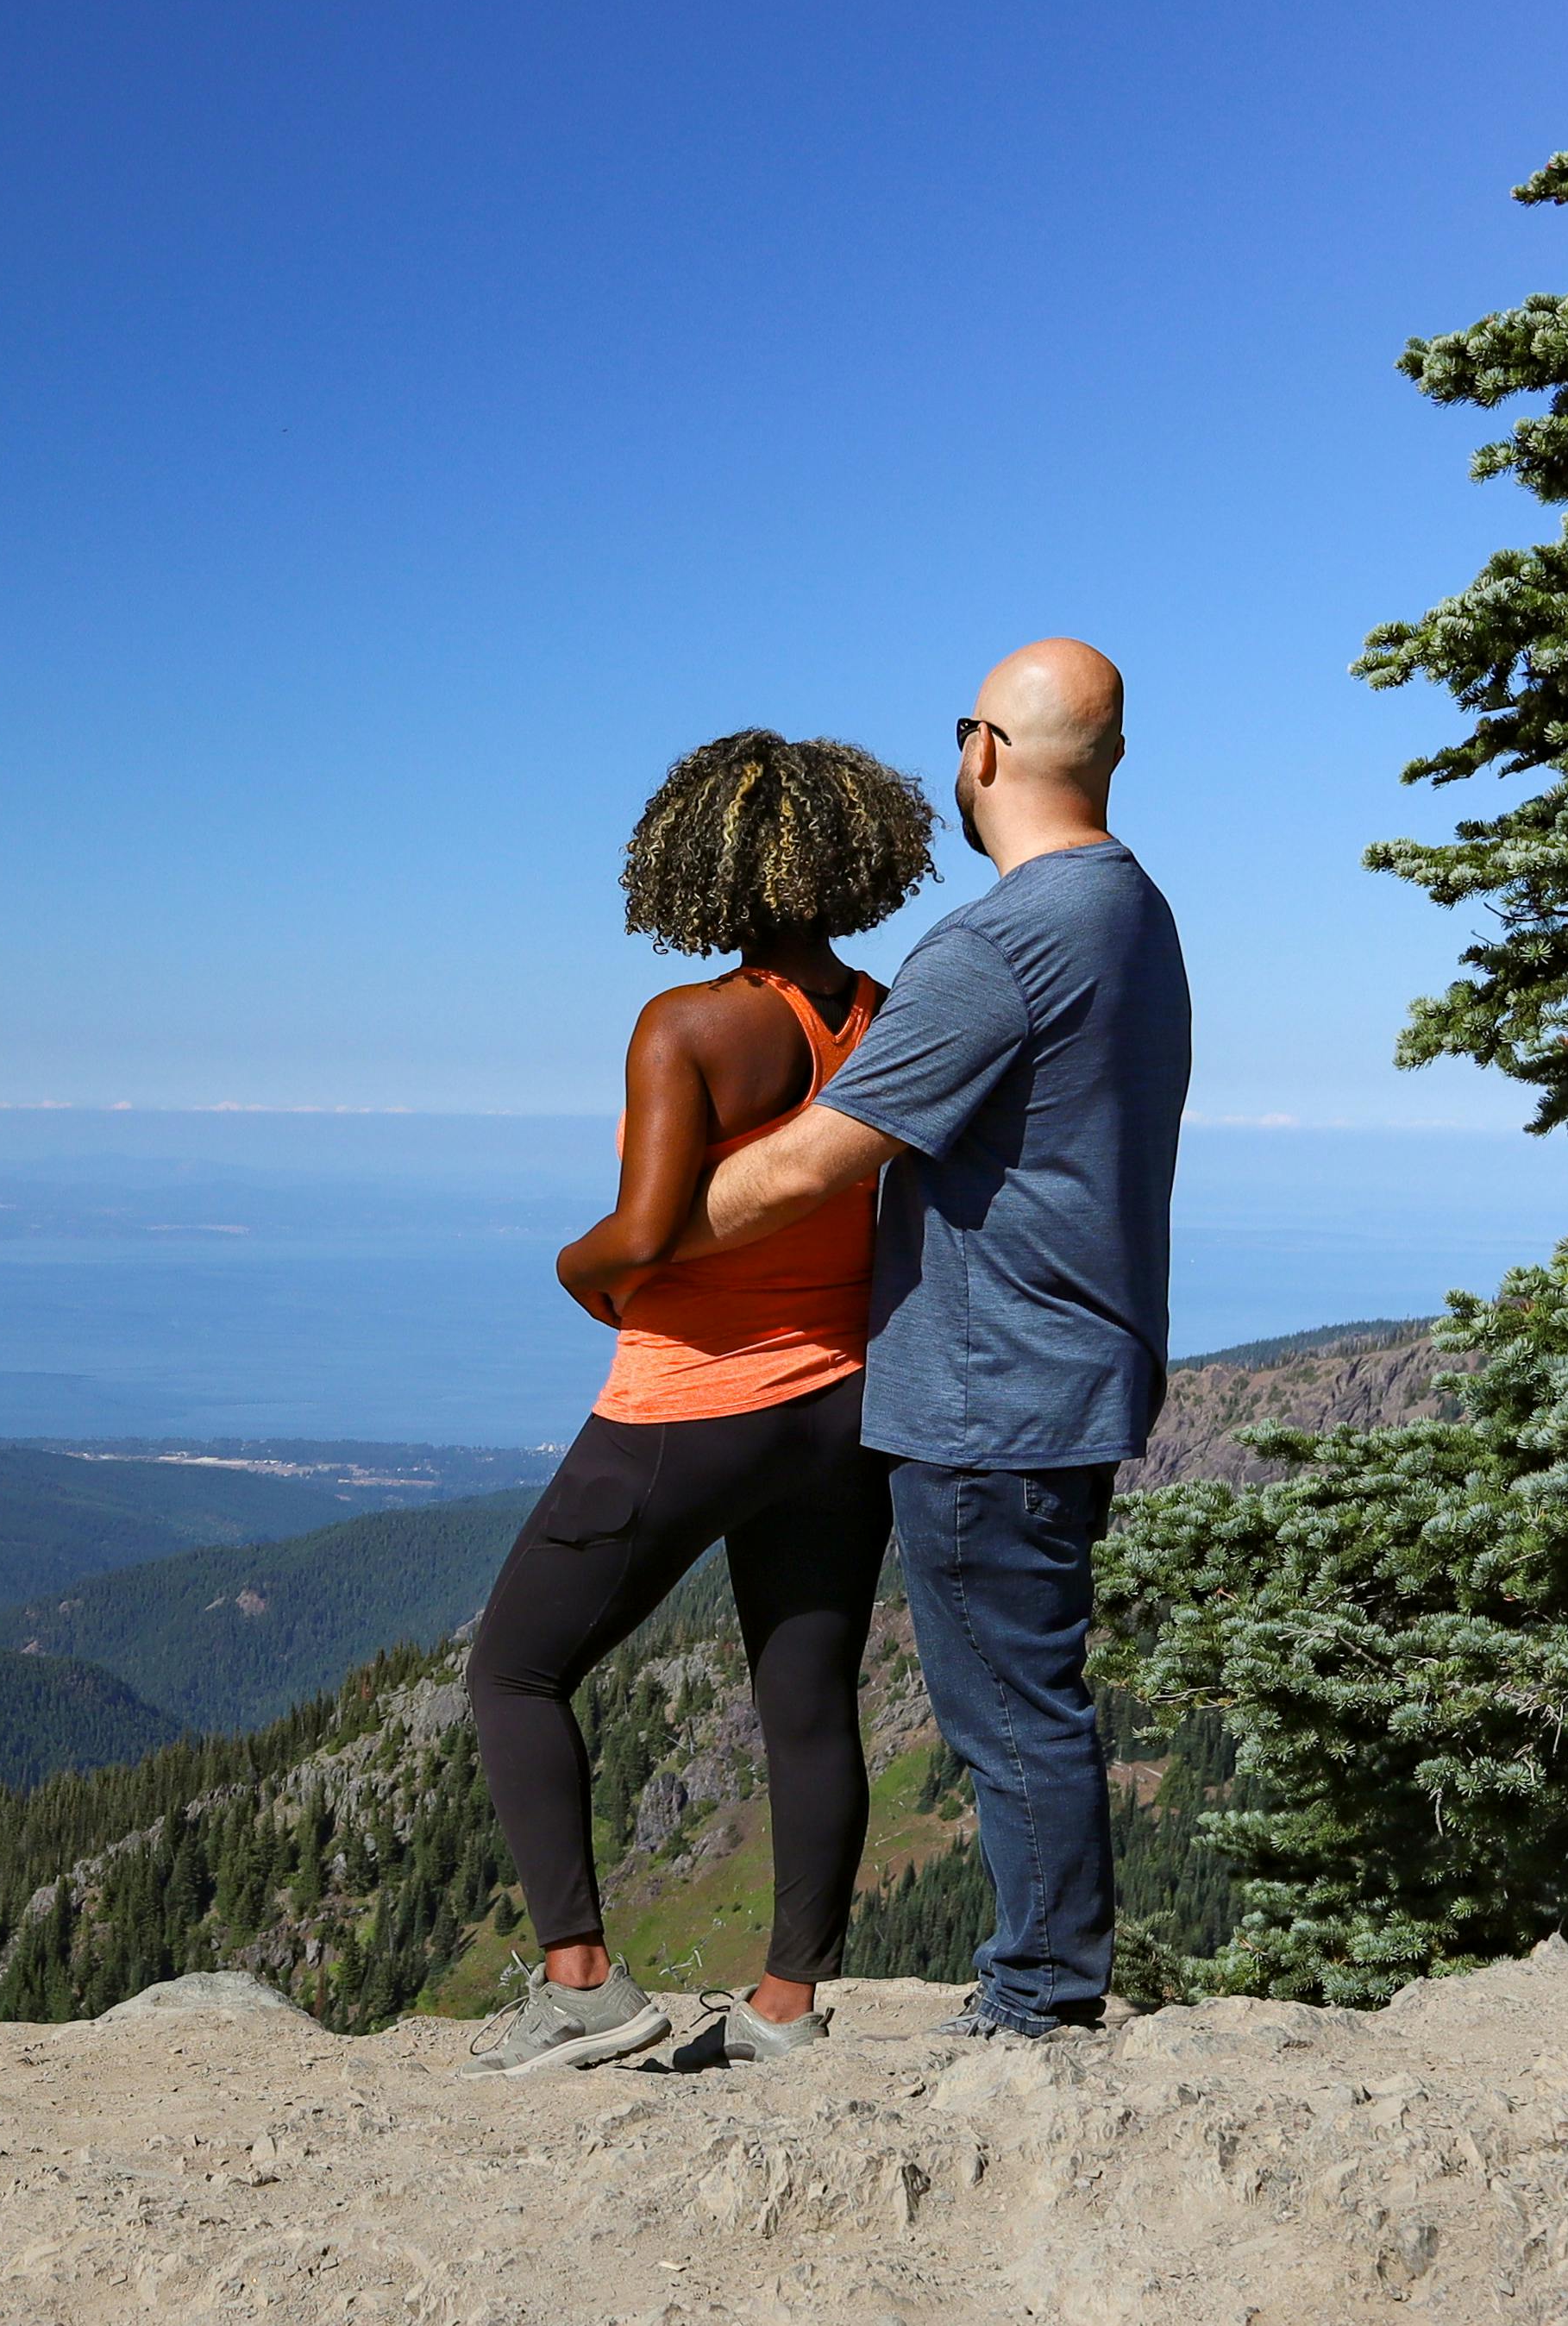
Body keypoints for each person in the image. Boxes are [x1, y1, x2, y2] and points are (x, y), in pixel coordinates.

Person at [684, 638, 1189, 2040]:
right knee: (1035, 1688)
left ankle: (1036, 2003)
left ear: (982, 753)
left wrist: (646, 1234)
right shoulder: (1135, 914)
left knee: (1010, 1709)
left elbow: (814, 1163)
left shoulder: (1000, 941)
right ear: (1111, 758)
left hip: (989, 1387)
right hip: (1076, 1363)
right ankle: (1049, 1982)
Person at [455, 728, 938, 2079]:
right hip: (843, 1406)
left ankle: (584, 1987)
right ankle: (785, 2009)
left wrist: (573, 1267)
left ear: (698, 861)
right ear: (856, 855)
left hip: (691, 1406)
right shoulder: (888, 1016)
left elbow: (649, 1231)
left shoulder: (687, 1026)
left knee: (514, 1669)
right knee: (807, 1696)